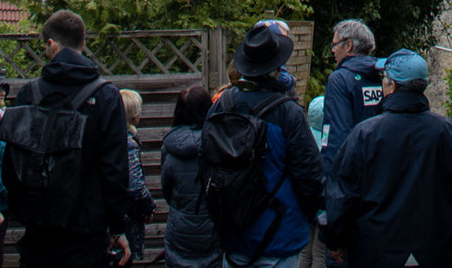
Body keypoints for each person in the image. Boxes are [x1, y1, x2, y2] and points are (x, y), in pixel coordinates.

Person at [322, 49, 452, 268]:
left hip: (376, 253)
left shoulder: (365, 135)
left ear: (391, 86)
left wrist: (335, 242)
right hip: (436, 254)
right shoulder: (450, 133)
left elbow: (342, 196)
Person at [1, 9, 134, 268]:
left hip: (40, 227)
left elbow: (13, 162)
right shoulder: (106, 96)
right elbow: (115, 170)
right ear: (83, 44)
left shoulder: (30, 93)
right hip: (87, 229)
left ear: (51, 44)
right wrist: (117, 227)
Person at [206, 21, 324, 268]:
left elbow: (205, 161)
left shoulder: (222, 105)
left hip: (234, 231)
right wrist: (313, 213)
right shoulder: (288, 113)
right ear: (277, 67)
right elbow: (310, 175)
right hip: (279, 232)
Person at [160, 84, 223, 268]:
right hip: (211, 225)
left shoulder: (170, 147)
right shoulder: (219, 144)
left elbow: (167, 189)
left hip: (180, 226)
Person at [318, 20, 382, 174]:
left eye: (335, 44)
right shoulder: (383, 76)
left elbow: (336, 133)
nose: (333, 50)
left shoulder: (340, 79)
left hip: (350, 175)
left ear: (348, 45)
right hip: (379, 169)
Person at [119, 89, 156, 265]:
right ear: (135, 117)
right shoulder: (128, 144)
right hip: (126, 220)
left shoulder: (107, 138)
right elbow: (135, 186)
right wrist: (149, 207)